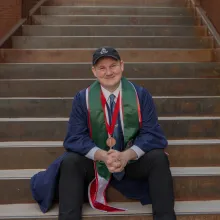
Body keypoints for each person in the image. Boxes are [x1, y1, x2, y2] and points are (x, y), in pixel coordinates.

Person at [30, 46, 176, 220]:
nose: (108, 72)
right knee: (70, 161)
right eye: (101, 68)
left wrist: (126, 155)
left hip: (130, 162)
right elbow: (75, 137)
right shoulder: (82, 98)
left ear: (122, 65)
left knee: (159, 158)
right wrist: (102, 155)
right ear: (94, 71)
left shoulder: (140, 95)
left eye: (112, 65)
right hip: (95, 163)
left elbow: (152, 134)